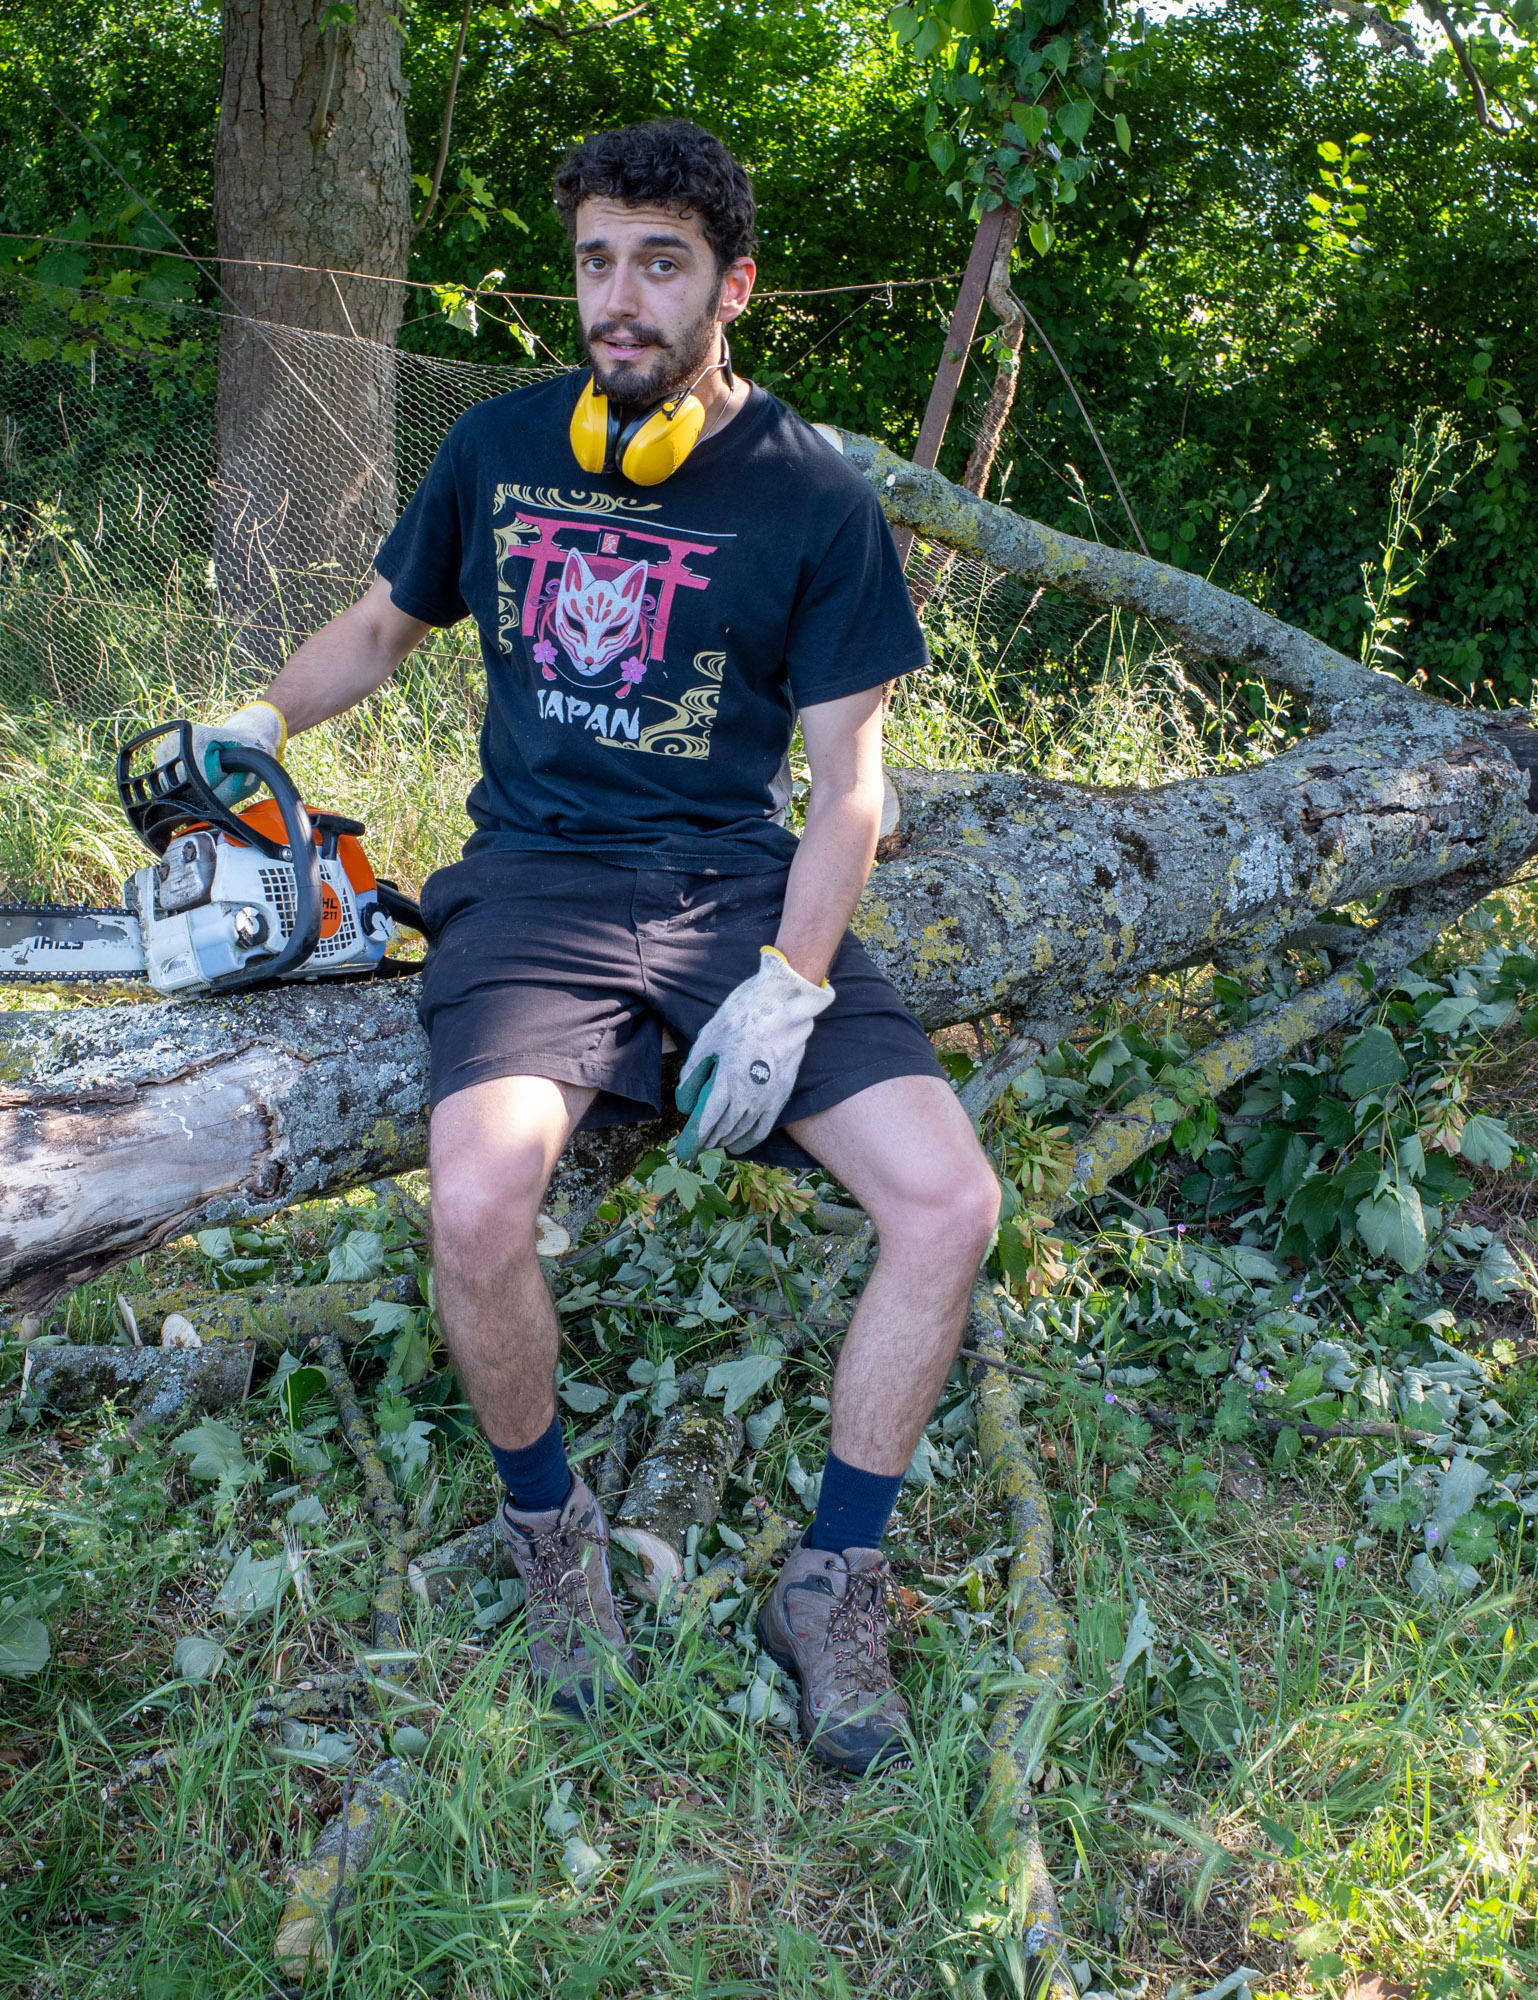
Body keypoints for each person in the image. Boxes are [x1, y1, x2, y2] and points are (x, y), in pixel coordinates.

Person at [194, 118, 1000, 1774]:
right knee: (479, 1206)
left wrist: (789, 986)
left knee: (949, 1201)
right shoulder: (500, 445)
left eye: (661, 265)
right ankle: (551, 1538)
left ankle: (835, 1577)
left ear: (733, 287)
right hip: (533, 886)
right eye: (596, 263)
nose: (620, 300)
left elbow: (851, 786)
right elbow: (381, 626)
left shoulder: (813, 496)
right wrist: (256, 723)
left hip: (733, 889)